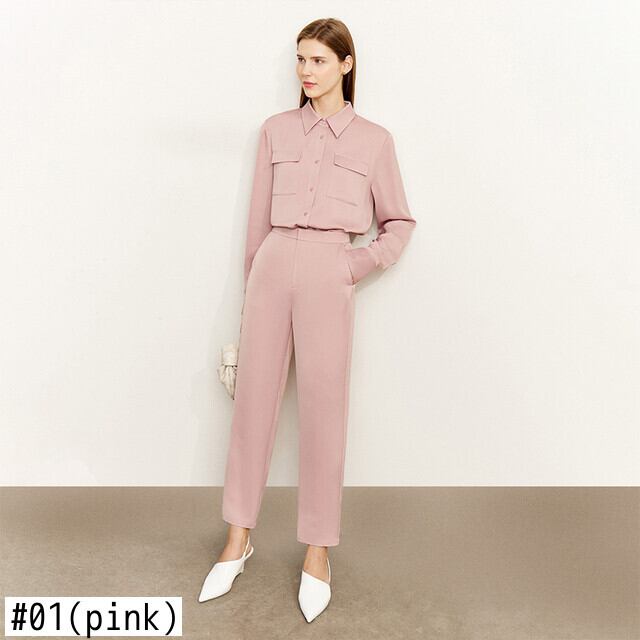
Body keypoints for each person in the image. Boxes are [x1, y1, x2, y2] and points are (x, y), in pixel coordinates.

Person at [199, 17, 417, 622]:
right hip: (273, 266)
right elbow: (255, 225)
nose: (306, 71)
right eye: (300, 59)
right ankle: (237, 539)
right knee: (252, 408)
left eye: (318, 60)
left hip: (329, 271)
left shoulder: (374, 140)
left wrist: (355, 264)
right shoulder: (274, 130)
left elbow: (399, 222)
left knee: (324, 411)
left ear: (346, 64)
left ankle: (318, 551)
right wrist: (249, 299)